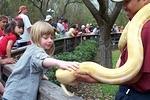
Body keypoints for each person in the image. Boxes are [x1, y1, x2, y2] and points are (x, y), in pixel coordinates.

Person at [75, 0, 150, 100]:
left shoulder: (146, 29)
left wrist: (94, 77)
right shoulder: (135, 24)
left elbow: (134, 76)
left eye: (127, 1)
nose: (124, 6)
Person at [2, 21, 79, 100]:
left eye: (51, 38)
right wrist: (59, 63)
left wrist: (40, 75)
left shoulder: (31, 48)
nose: (50, 40)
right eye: (45, 38)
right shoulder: (36, 50)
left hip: (12, 93)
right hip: (18, 95)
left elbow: (32, 65)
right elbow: (43, 59)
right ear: (36, 37)